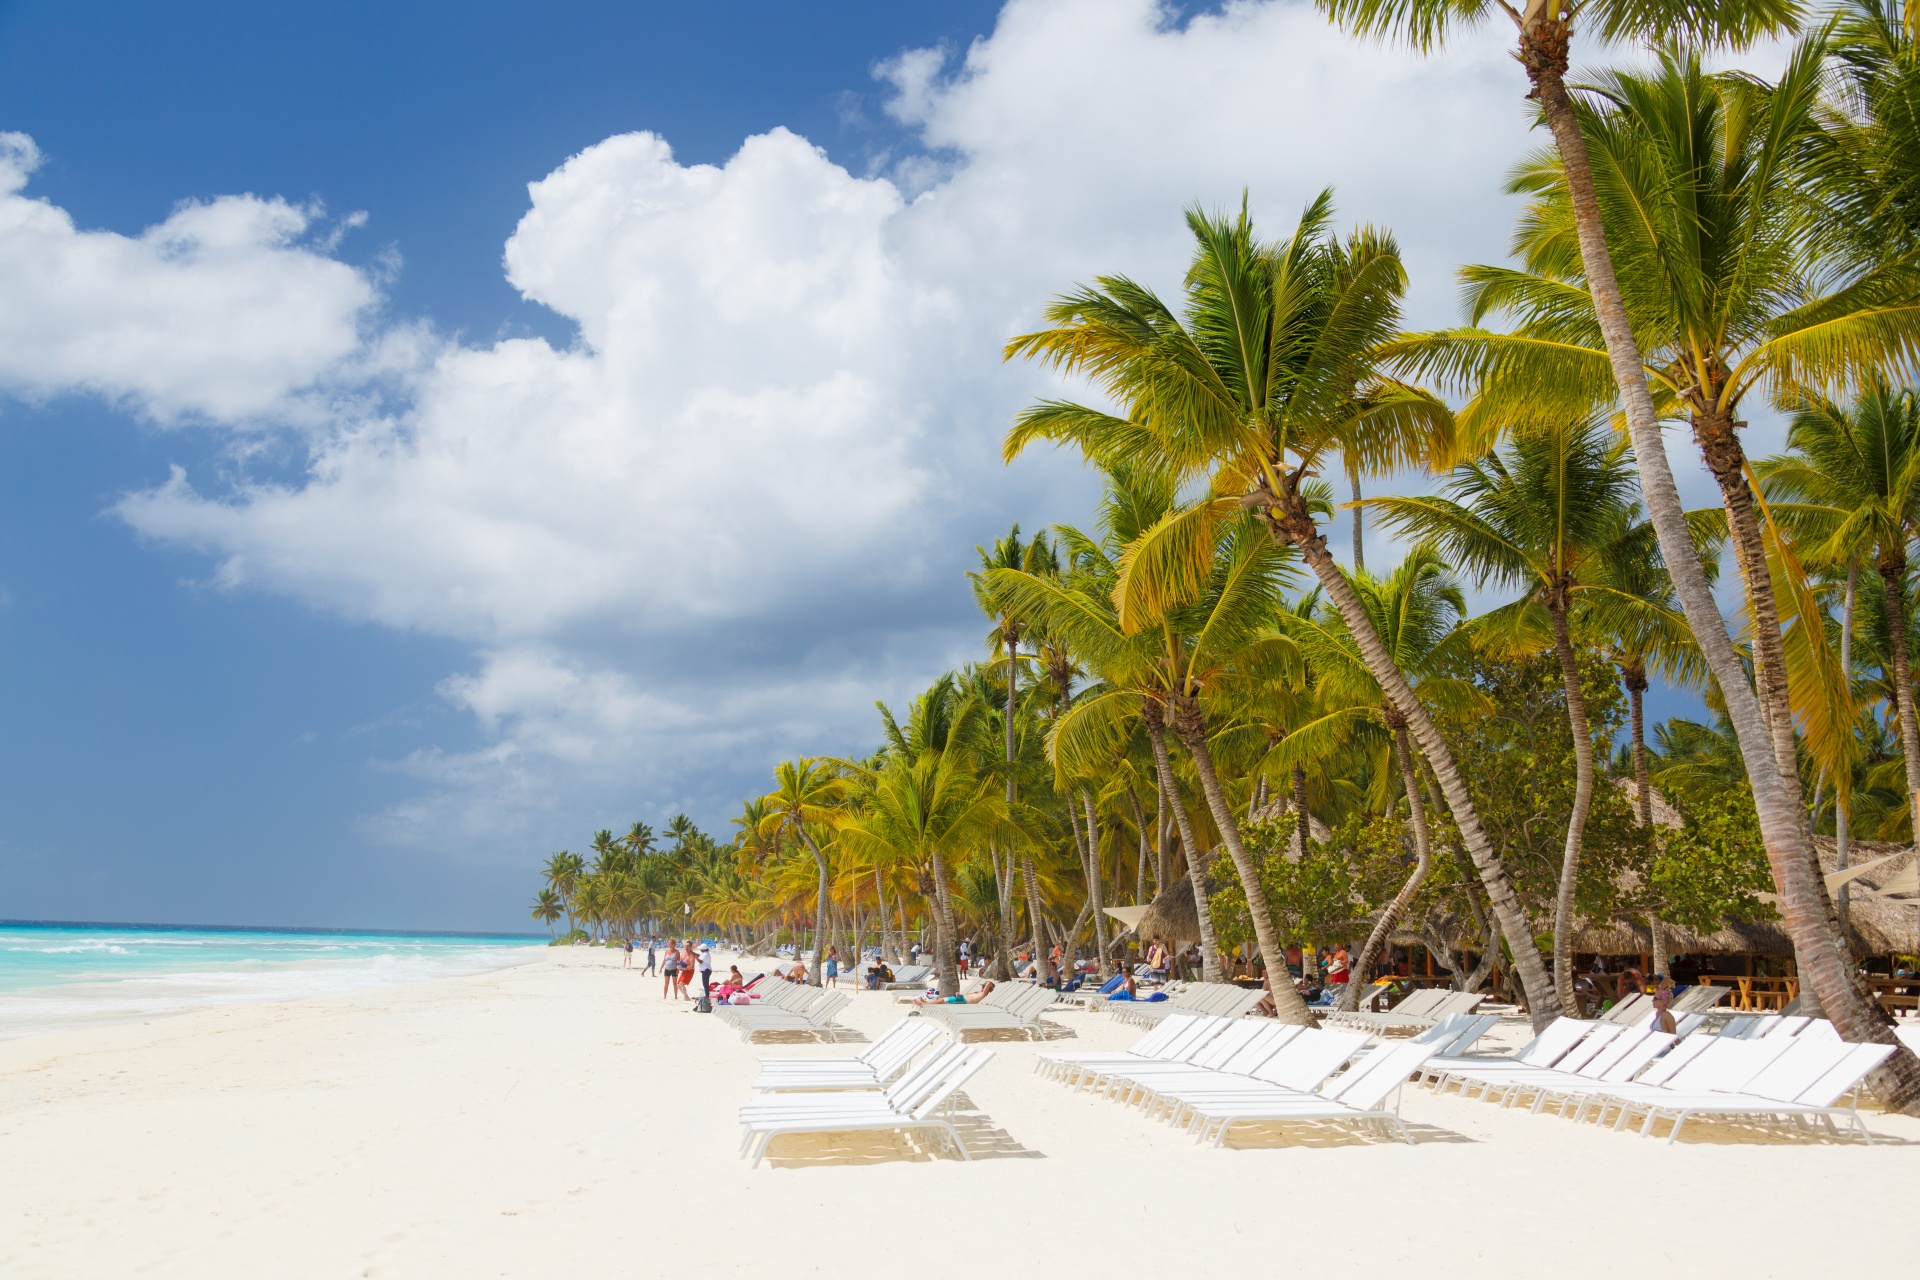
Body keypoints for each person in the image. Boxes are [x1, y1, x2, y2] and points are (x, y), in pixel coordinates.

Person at [913, 979, 994, 1008]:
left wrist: (988, 985)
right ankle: (924, 1003)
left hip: (963, 1002)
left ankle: (925, 1003)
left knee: (942, 1001)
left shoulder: (983, 995)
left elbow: (989, 983)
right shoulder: (980, 993)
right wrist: (960, 994)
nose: (982, 988)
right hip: (961, 999)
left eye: (984, 987)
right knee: (942, 1000)